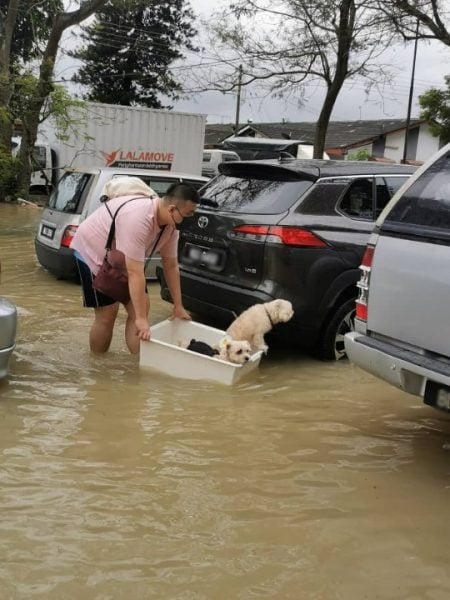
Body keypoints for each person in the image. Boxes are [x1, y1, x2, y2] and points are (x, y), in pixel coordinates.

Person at [70, 176, 199, 354]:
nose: (191, 218)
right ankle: (98, 368)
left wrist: (178, 306)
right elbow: (135, 273)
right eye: (188, 214)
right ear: (171, 209)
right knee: (108, 315)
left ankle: (137, 367)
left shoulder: (171, 226)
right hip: (93, 252)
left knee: (142, 311)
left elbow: (170, 265)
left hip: (123, 260)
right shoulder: (138, 218)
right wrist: (140, 319)